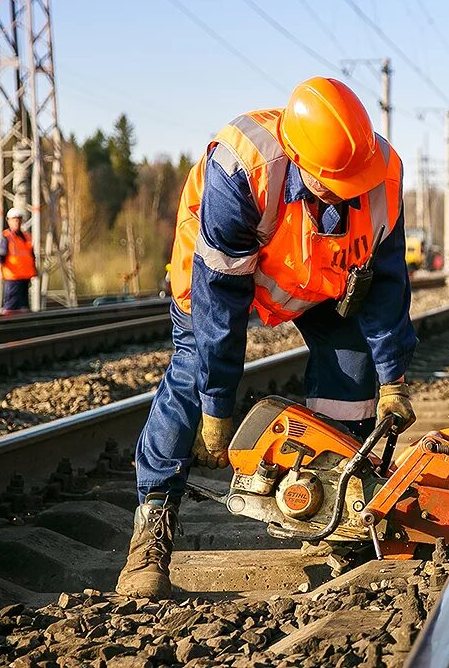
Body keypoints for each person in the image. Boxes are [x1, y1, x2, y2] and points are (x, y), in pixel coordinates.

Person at [116, 77, 417, 599]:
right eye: (332, 183)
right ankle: (151, 528)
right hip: (217, 278)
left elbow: (387, 285)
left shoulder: (380, 175)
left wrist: (393, 377)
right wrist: (218, 403)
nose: (347, 193)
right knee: (193, 375)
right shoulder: (244, 166)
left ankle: (333, 515)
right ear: (298, 158)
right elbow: (222, 300)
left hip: (316, 279)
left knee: (352, 368)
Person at [0, 207, 36, 314]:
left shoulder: (27, 237)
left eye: (18, 219)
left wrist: (35, 269)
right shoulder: (6, 238)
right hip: (12, 278)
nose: (16, 222)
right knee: (10, 308)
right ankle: (8, 327)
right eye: (14, 220)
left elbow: (31, 256)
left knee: (23, 308)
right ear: (8, 221)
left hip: (25, 277)